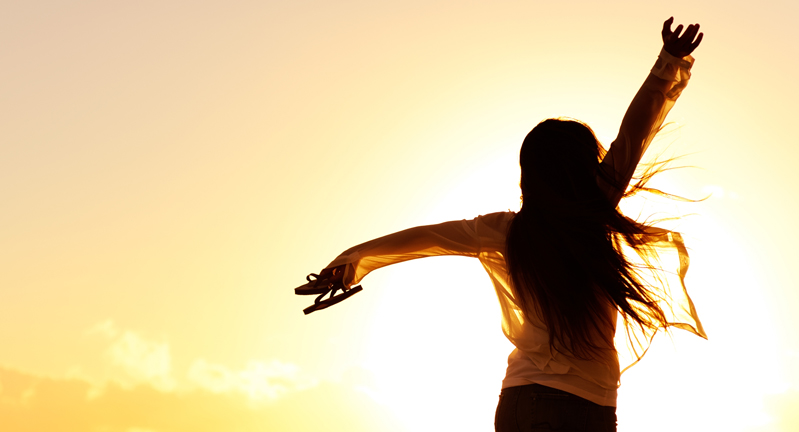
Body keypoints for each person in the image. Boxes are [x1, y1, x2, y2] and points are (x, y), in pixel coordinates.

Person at [296, 17, 706, 432]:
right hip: (582, 405)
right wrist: (670, 62)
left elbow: (422, 239)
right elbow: (634, 133)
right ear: (585, 166)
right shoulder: (594, 205)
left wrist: (351, 262)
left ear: (529, 174)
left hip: (518, 401)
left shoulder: (503, 231)